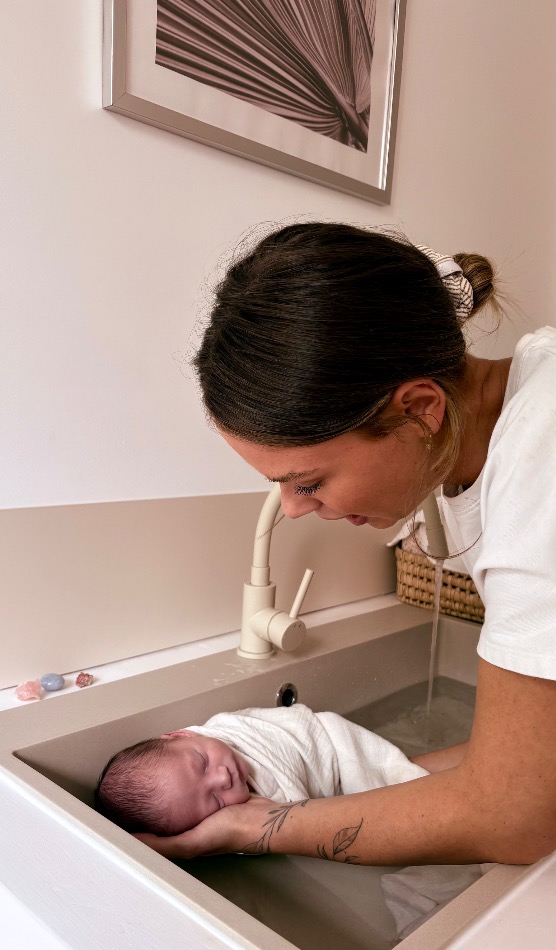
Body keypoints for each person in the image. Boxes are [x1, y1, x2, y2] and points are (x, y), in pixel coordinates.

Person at [138, 222, 556, 866]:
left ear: (420, 409)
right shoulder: (489, 435)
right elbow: (517, 768)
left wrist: (252, 828)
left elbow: (514, 819)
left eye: (307, 481)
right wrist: (381, 782)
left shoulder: (540, 460)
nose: (293, 509)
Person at [94, 703, 429, 837]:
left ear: (181, 735)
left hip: (329, 739)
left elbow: (290, 728)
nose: (222, 777)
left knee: (394, 789)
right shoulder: (255, 804)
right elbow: (290, 816)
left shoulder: (224, 727)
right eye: (216, 801)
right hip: (328, 773)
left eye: (203, 763)